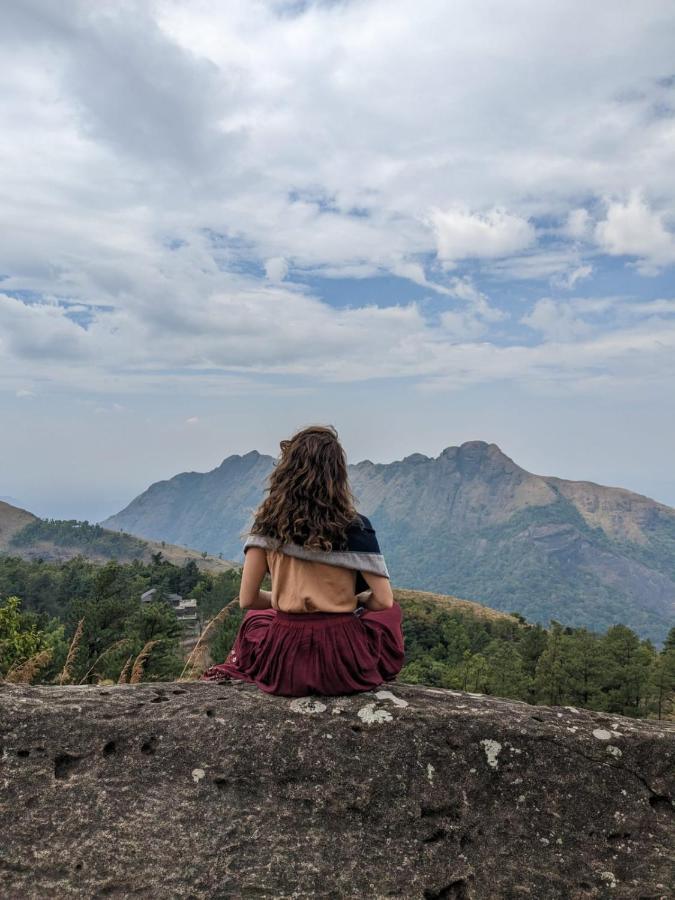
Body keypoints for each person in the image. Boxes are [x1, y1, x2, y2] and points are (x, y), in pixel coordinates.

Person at [200, 425, 405, 696]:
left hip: (284, 664)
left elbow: (247, 600)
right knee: (391, 614)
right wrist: (350, 601)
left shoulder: (267, 525)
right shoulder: (356, 526)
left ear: (287, 471)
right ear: (337, 474)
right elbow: (383, 601)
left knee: (256, 618)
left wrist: (287, 599)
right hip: (342, 664)